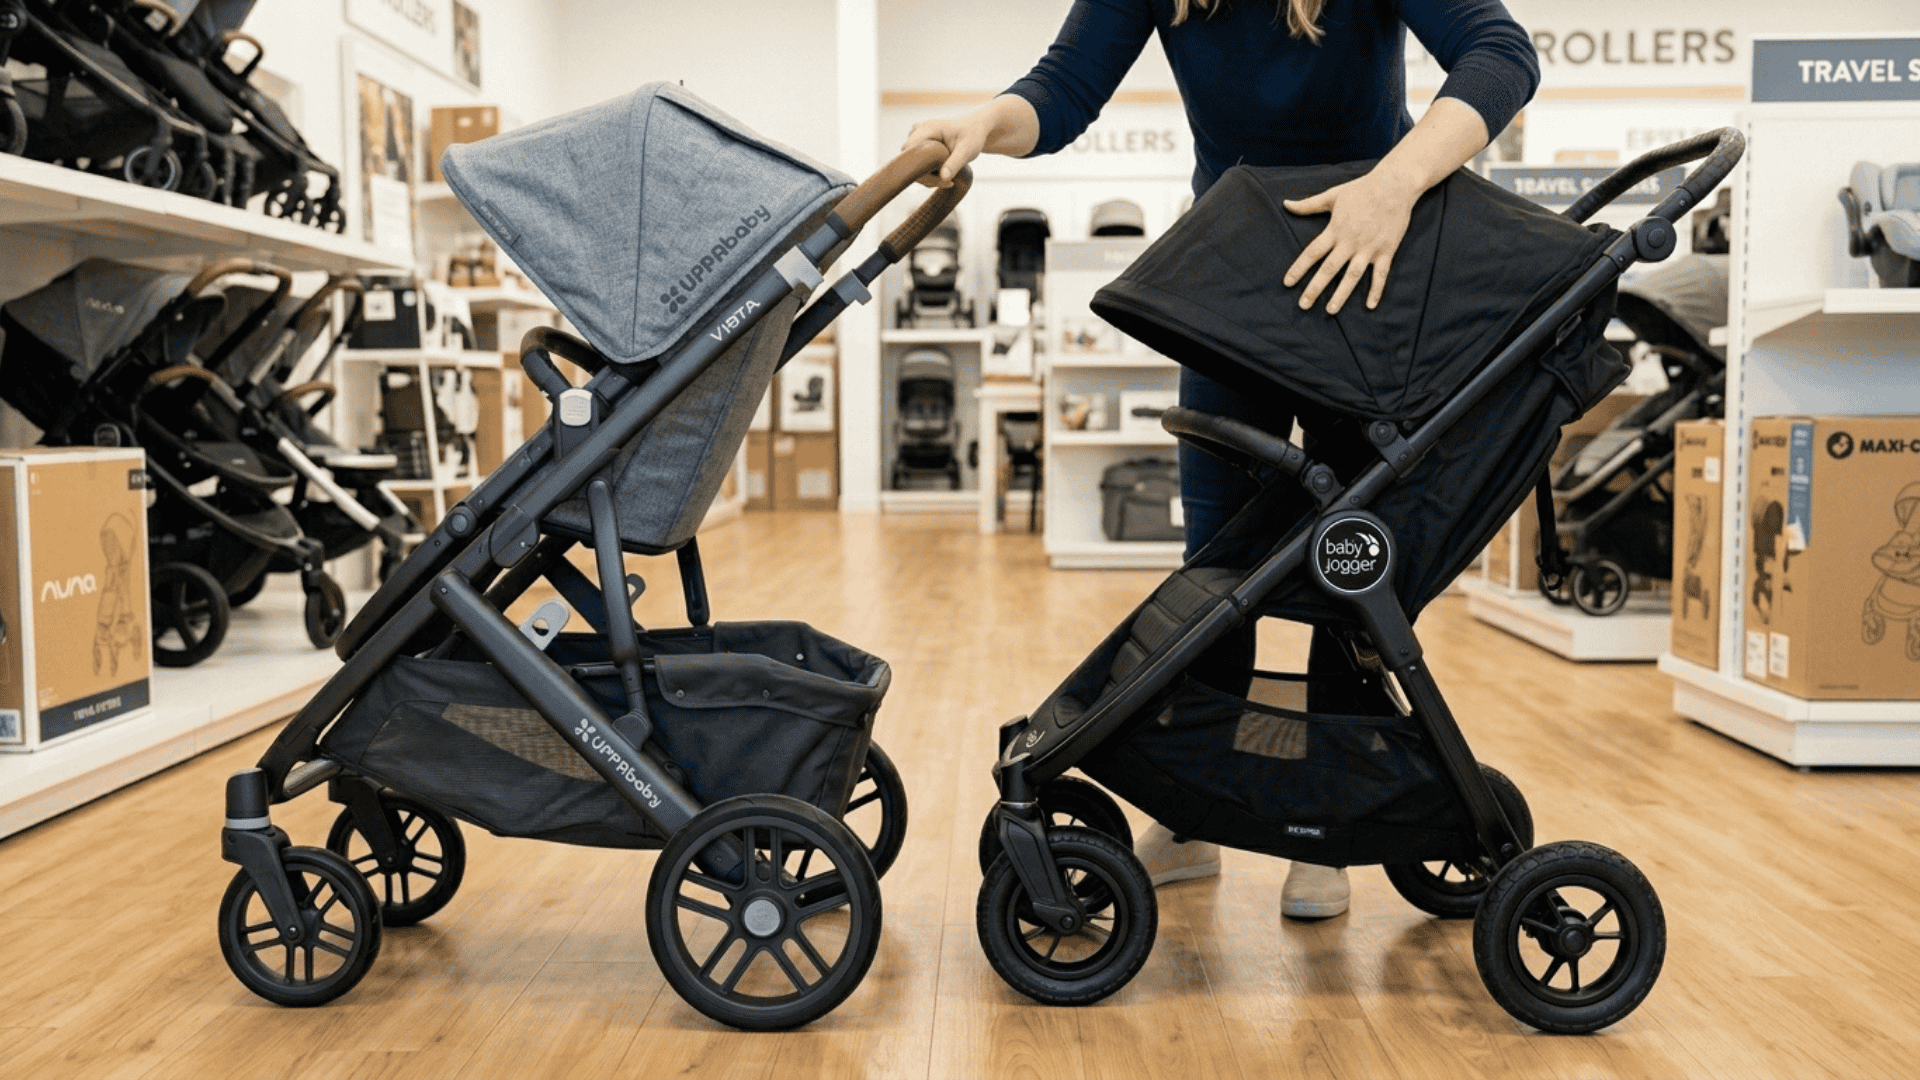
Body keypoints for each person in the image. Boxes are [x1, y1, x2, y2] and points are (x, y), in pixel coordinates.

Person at [908, 0, 1539, 919]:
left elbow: (1500, 53)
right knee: (1217, 558)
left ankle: (1327, 819)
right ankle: (1196, 813)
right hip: (1235, 277)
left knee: (1351, 553)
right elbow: (1065, 90)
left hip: (1368, 267)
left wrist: (1391, 185)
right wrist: (986, 122)